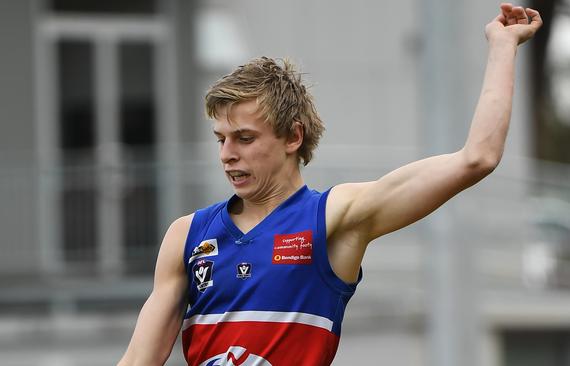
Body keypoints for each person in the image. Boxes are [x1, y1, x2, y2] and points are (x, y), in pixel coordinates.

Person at [118, 3, 542, 365]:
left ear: (293, 137)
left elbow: (477, 158)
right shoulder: (186, 235)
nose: (227, 153)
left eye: (245, 138)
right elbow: (137, 361)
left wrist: (502, 48)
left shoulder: (335, 218)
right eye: (221, 139)